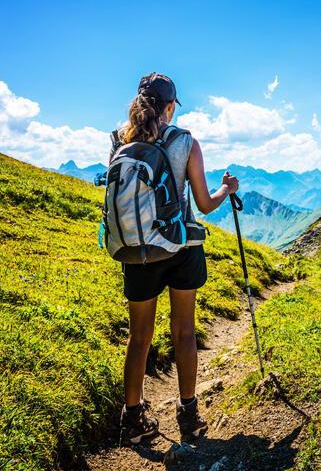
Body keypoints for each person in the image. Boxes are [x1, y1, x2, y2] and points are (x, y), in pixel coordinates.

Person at [117, 73, 238, 446]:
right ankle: (188, 415)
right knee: (183, 331)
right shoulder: (185, 141)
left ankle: (133, 420)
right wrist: (226, 189)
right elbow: (203, 203)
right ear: (171, 106)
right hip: (181, 248)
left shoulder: (119, 141)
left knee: (139, 338)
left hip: (136, 251)